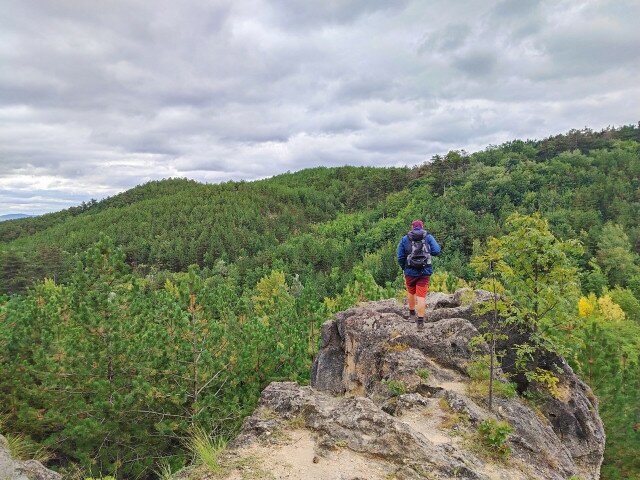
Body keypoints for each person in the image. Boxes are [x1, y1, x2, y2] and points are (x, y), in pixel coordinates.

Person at [396, 220, 441, 329]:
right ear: (422, 226)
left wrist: (404, 268)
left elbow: (400, 257)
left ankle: (412, 315)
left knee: (411, 292)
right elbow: (436, 251)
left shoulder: (405, 239)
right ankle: (420, 322)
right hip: (424, 271)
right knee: (421, 296)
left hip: (410, 271)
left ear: (412, 227)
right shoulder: (428, 237)